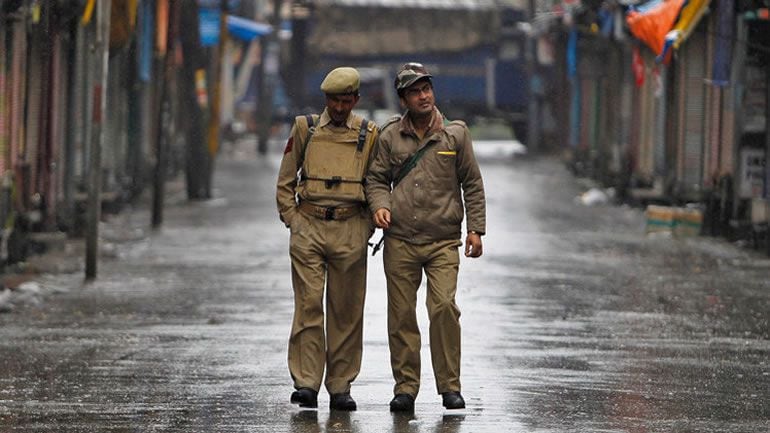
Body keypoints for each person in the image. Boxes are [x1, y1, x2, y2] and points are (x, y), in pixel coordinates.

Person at [365, 62, 486, 412]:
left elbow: (472, 184)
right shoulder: (389, 136)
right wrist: (380, 206)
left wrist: (475, 229)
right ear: (403, 98)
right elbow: (375, 180)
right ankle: (405, 388)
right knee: (401, 315)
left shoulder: (455, 134)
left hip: (442, 241)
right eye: (416, 91)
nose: (424, 96)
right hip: (400, 240)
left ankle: (450, 386)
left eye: (427, 89)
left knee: (444, 307)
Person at [276, 67, 378, 411]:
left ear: (356, 100)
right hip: (309, 224)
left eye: (346, 100)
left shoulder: (369, 133)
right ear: (325, 99)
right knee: (308, 305)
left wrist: (367, 226)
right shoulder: (305, 128)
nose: (339, 107)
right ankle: (306, 383)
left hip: (351, 226)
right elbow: (286, 179)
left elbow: (377, 184)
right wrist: (293, 220)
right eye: (334, 100)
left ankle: (340, 385)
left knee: (346, 310)